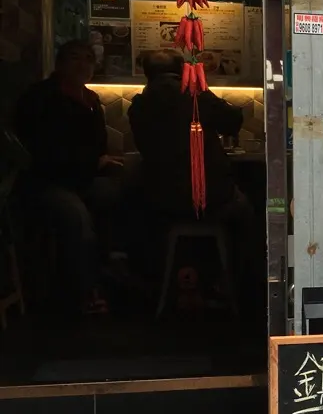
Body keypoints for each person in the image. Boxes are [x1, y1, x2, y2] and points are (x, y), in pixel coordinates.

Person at [13, 40, 123, 311]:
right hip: (45, 182)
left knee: (121, 196)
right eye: (75, 58)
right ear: (60, 64)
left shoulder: (90, 100)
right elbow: (42, 151)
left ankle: (114, 272)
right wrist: (93, 162)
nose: (83, 65)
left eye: (88, 59)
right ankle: (84, 290)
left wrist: (101, 162)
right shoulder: (41, 98)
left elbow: (99, 144)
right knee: (76, 216)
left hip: (81, 178)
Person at [128, 50, 244, 219]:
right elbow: (232, 121)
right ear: (182, 69)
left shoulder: (139, 104)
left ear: (146, 73)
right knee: (244, 208)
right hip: (210, 193)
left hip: (161, 195)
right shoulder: (197, 94)